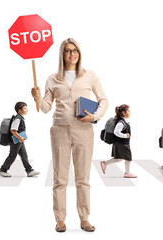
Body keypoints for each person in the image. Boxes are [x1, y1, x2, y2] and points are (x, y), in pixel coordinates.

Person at [31, 38, 108, 232]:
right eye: (67, 51)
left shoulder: (89, 75)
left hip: (84, 130)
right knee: (60, 179)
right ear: (62, 54)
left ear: (79, 53)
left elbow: (103, 100)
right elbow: (45, 108)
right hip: (59, 131)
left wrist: (95, 116)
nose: (72, 54)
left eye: (75, 50)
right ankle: (60, 219)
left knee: (83, 178)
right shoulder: (53, 78)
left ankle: (84, 218)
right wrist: (37, 97)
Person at [0, 102, 40, 178]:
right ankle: (3, 170)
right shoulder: (17, 119)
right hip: (15, 141)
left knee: (24, 155)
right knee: (12, 156)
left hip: (19, 141)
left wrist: (20, 139)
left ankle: (29, 170)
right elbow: (13, 130)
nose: (27, 110)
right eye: (25, 108)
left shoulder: (20, 118)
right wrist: (20, 138)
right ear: (19, 110)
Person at [100, 104, 137, 178]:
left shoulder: (124, 121)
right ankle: (127, 173)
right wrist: (125, 135)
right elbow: (116, 132)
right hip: (121, 143)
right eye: (128, 111)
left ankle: (104, 163)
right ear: (124, 113)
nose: (130, 113)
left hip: (121, 143)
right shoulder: (121, 122)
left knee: (119, 159)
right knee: (128, 157)